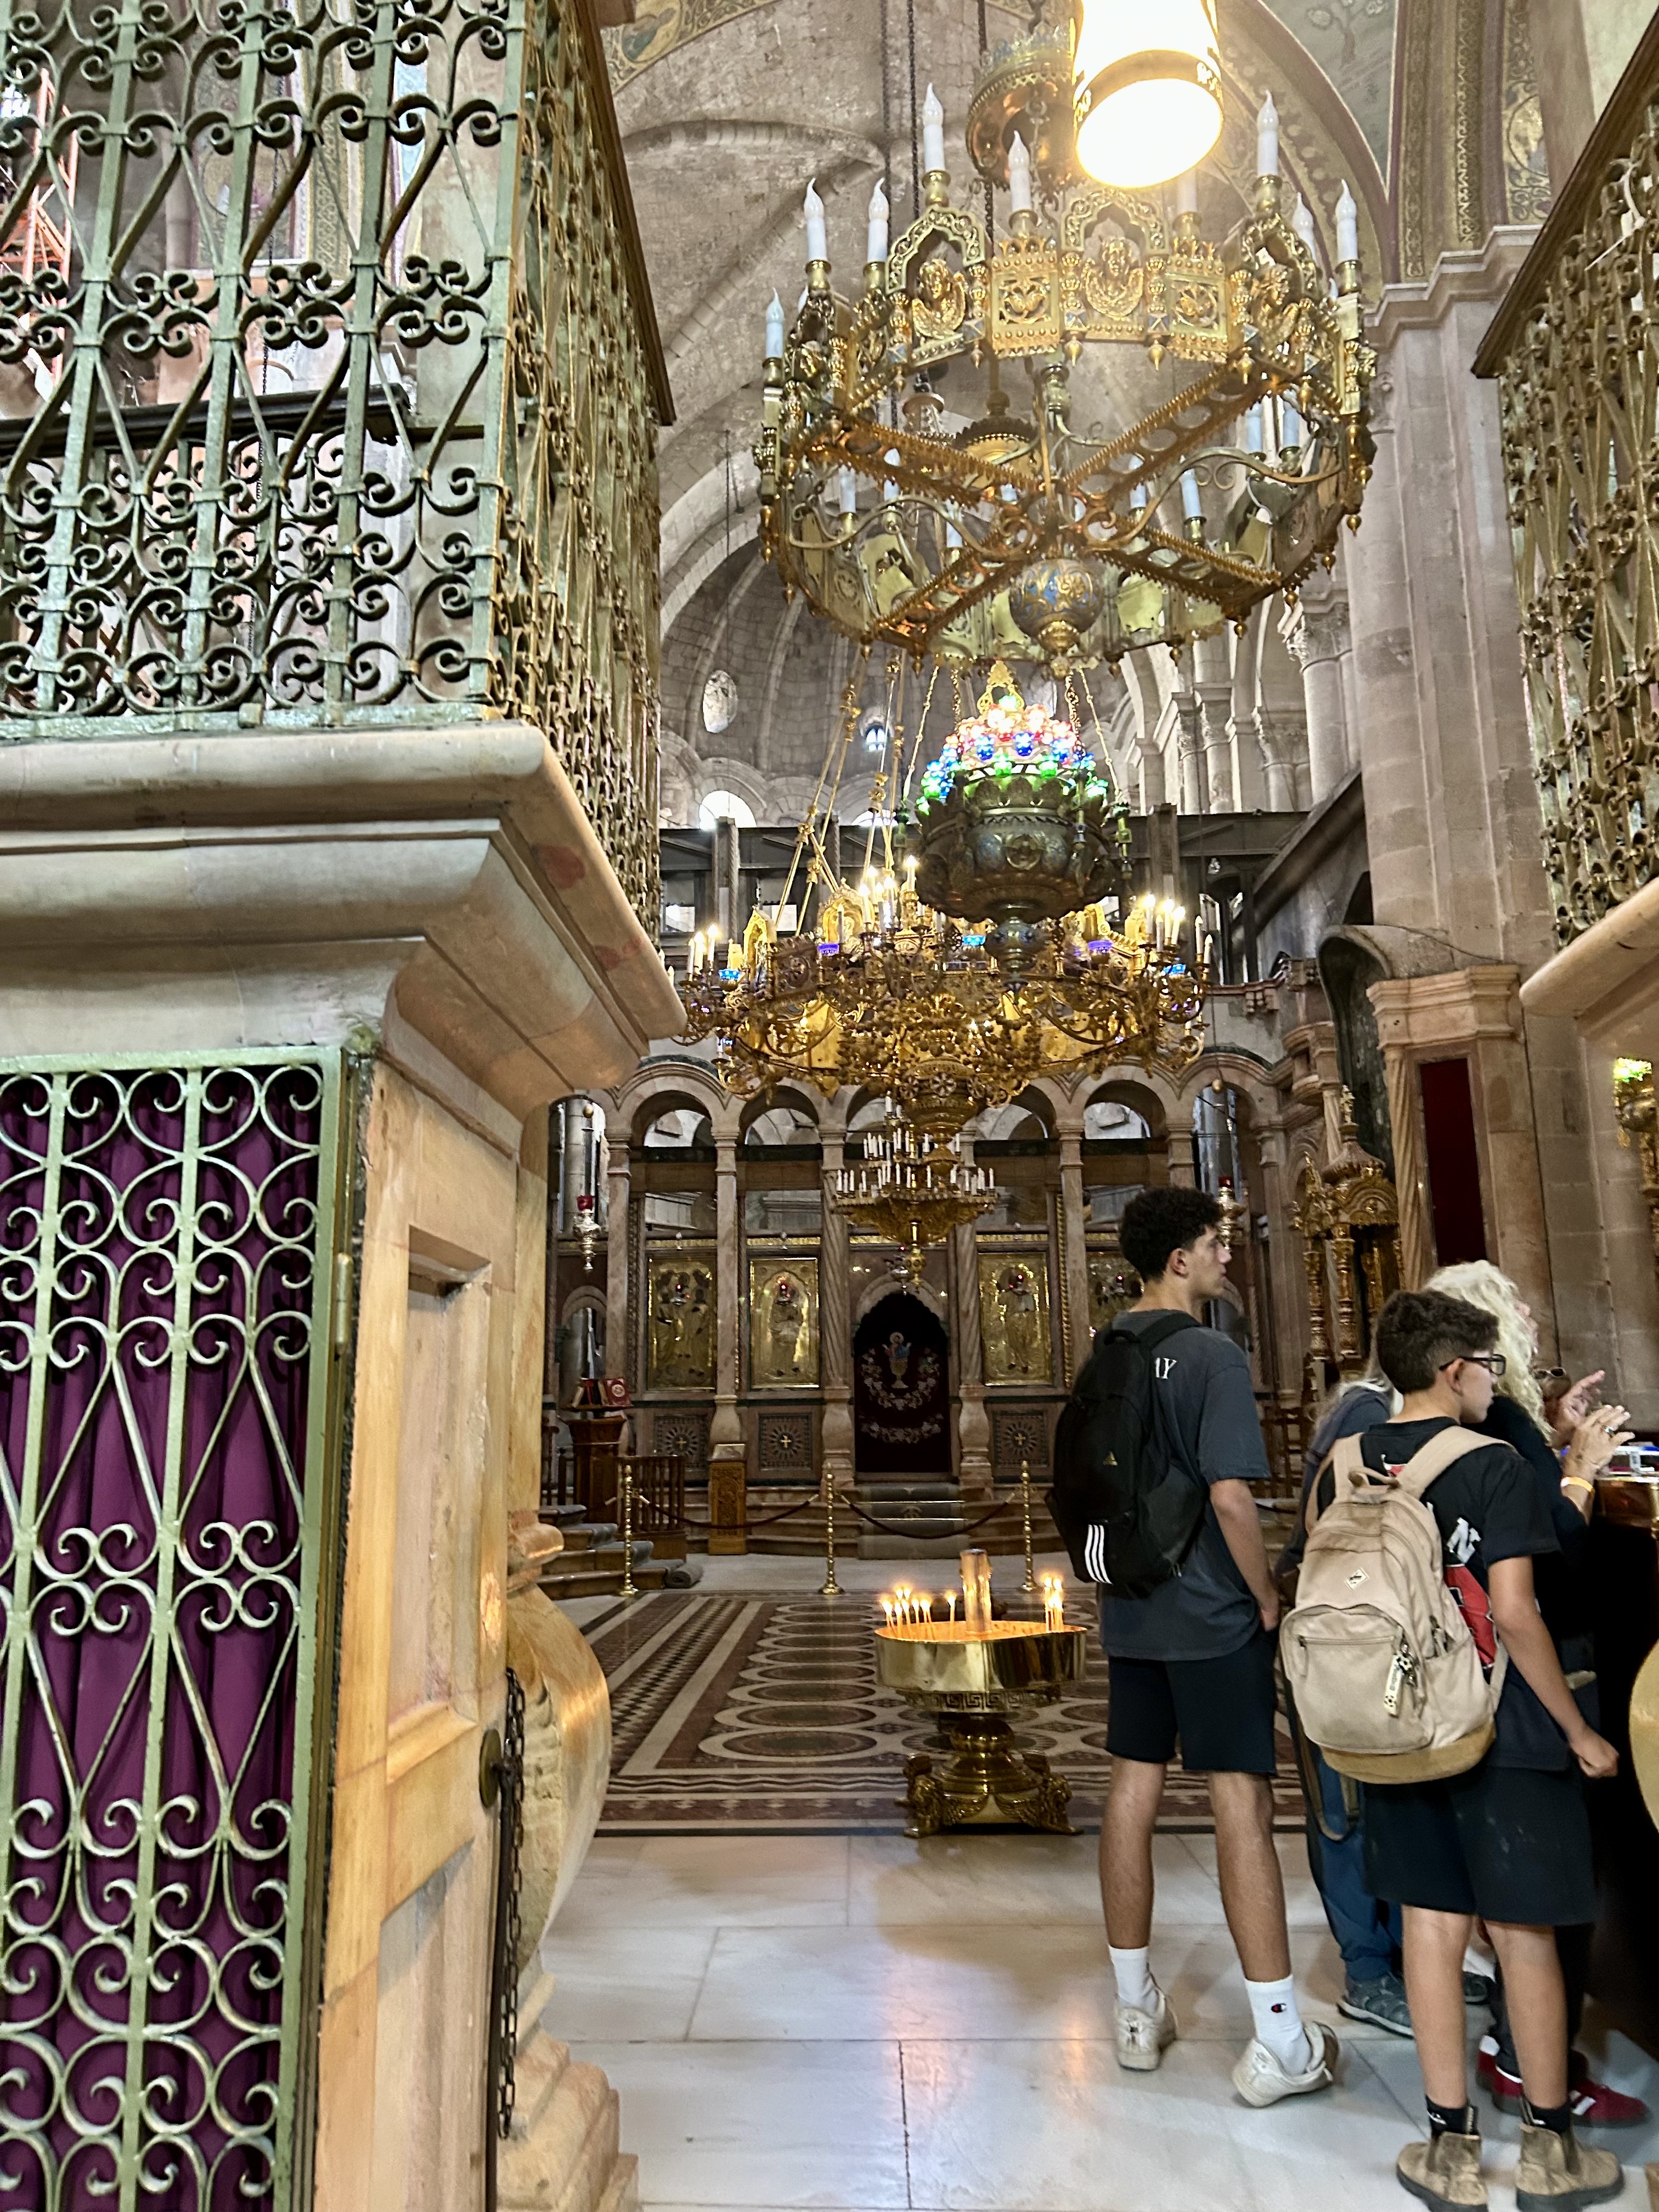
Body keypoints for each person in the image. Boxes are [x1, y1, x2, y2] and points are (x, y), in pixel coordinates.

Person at [1316, 1290, 1622, 2212]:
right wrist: (1577, 1732)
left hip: (1394, 1723)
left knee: (1429, 1926)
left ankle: (1446, 2147)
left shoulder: (1343, 1458)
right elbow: (1516, 1612)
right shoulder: (1491, 1463)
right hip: (1500, 1723)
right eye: (1486, 1365)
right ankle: (1546, 2150)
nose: (1492, 1381)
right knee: (1522, 1931)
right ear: (1452, 1370)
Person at [1097, 1186, 1338, 2107]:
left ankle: (1131, 2008)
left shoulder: (1104, 1352)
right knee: (1238, 1796)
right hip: (1207, 1612)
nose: (1225, 1257)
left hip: (1129, 1607)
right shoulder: (1209, 1355)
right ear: (1178, 1261)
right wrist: (1266, 1593)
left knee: (1132, 1786)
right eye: (1214, 1243)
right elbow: (1232, 1499)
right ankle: (1277, 2036)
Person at [1424, 1261, 1644, 2131]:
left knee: (1476, 1895)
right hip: (1536, 1679)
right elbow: (1550, 1561)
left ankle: (1498, 2061)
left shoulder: (1478, 1424)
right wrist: (1581, 1471)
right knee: (1545, 1892)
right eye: (1510, 1300)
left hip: (1458, 1686)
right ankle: (1534, 2070)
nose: (1527, 1309)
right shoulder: (1500, 1423)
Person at [1279, 1365, 1411, 2035]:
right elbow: (1336, 1531)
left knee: (1397, 1798)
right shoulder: (1364, 1415)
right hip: (1344, 1638)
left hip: (1377, 1634)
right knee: (1345, 1810)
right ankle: (1367, 1969)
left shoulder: (1383, 1412)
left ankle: (1406, 1960)